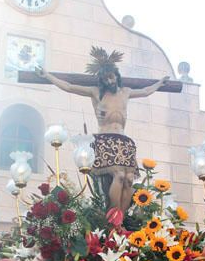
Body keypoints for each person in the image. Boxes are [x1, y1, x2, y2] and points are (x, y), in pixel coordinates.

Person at [36, 46, 169, 212]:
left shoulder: (125, 92)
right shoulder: (96, 92)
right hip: (105, 139)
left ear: (116, 76)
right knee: (119, 176)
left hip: (123, 141)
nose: (110, 81)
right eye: (106, 79)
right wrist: (48, 76)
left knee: (128, 179)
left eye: (112, 77)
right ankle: (114, 217)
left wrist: (159, 83)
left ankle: (122, 216)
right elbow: (69, 86)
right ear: (102, 80)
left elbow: (146, 91)